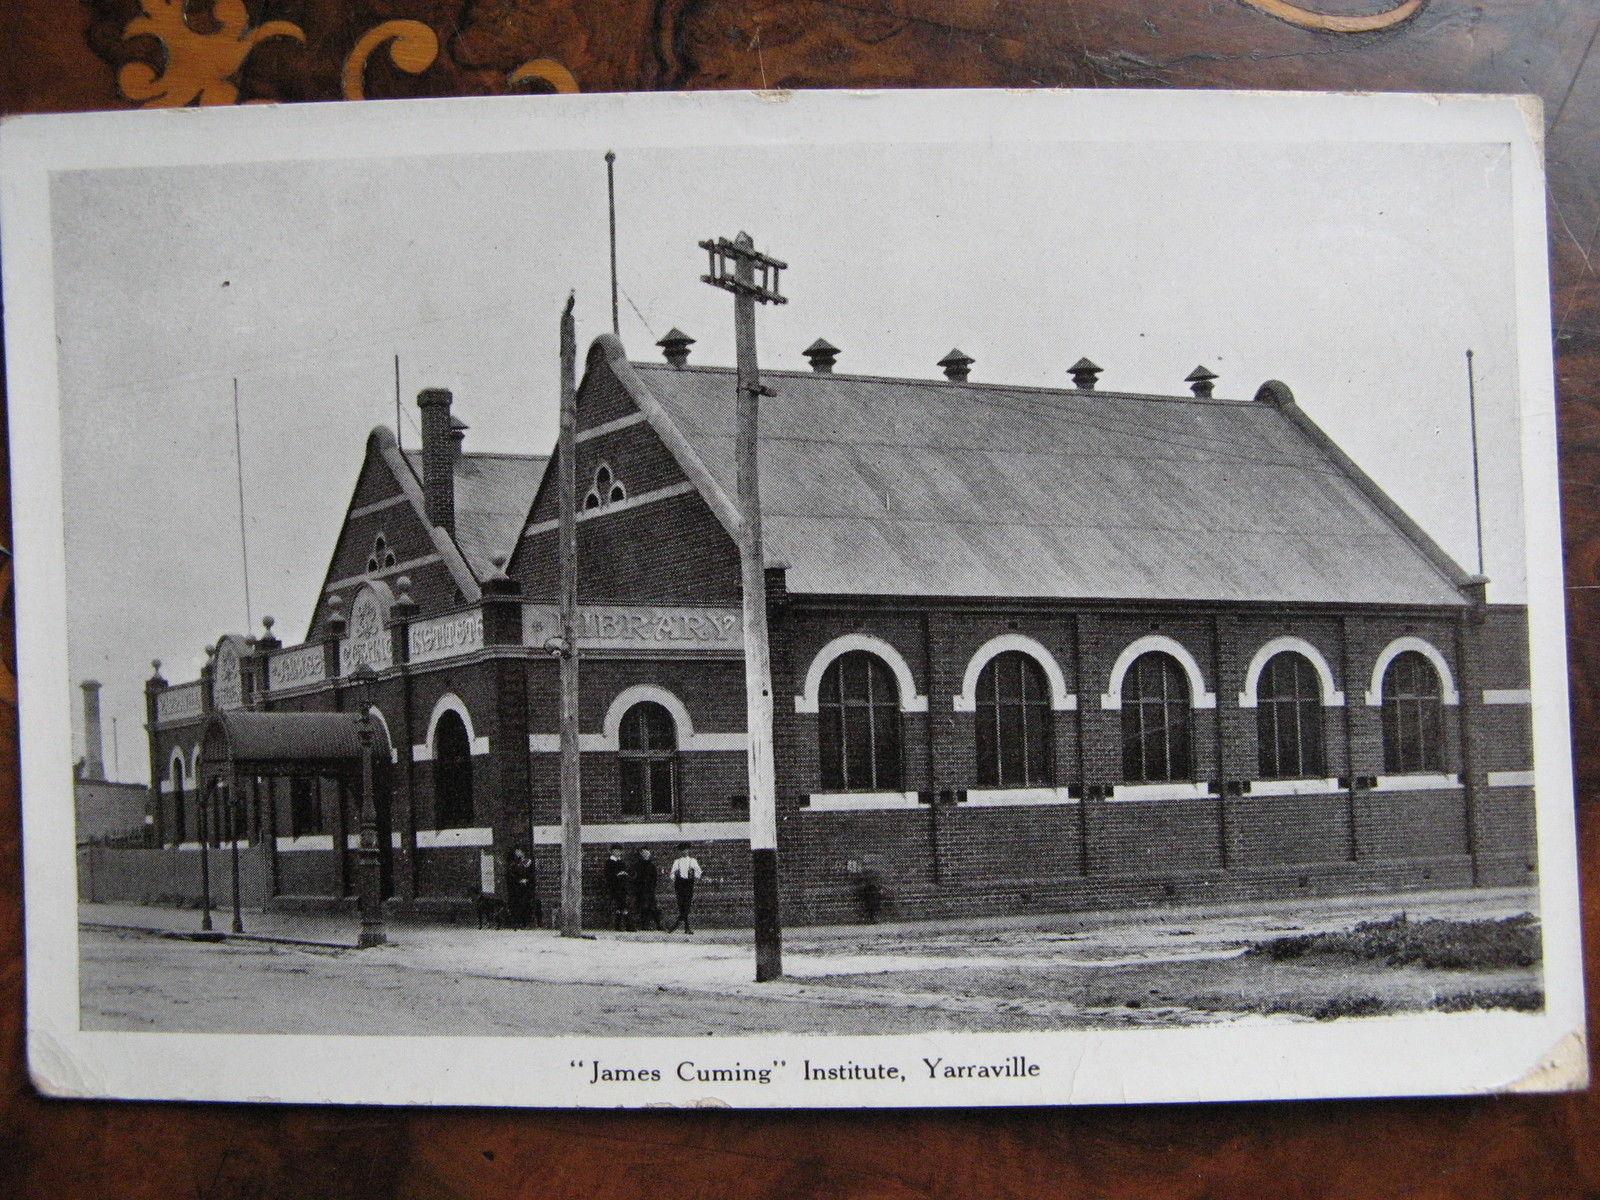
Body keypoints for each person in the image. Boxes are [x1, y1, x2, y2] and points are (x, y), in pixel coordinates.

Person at [668, 842, 702, 934]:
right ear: (680, 851)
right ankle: (686, 928)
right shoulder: (677, 861)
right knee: (681, 904)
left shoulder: (692, 861)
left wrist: (694, 875)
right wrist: (675, 877)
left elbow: (699, 871)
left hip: (688, 884)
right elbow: (671, 873)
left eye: (686, 849)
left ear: (689, 850)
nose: (685, 851)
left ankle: (676, 924)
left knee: (687, 905)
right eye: (683, 850)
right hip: (679, 884)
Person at [604, 845, 634, 931]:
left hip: (623, 887)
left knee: (622, 905)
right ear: (612, 852)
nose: (617, 853)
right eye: (615, 851)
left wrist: (625, 874)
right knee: (620, 905)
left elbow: (626, 872)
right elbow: (607, 875)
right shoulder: (609, 862)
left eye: (619, 851)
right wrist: (616, 875)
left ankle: (622, 925)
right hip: (614, 887)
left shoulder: (622, 862)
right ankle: (624, 925)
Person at [505, 846, 535, 929]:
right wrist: (518, 880)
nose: (518, 853)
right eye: (517, 852)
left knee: (524, 905)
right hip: (516, 889)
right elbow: (511, 876)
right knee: (517, 905)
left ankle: (525, 922)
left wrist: (526, 880)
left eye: (519, 852)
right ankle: (518, 922)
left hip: (524, 889)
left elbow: (531, 874)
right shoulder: (513, 865)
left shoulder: (527, 863)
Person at [632, 847, 662, 930]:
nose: (645, 855)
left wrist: (652, 887)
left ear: (649, 854)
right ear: (641, 855)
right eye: (643, 853)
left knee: (653, 906)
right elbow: (635, 878)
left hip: (650, 889)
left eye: (647, 853)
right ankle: (643, 925)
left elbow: (654, 878)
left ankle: (658, 924)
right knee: (642, 906)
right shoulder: (637, 865)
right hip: (641, 890)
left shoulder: (652, 865)